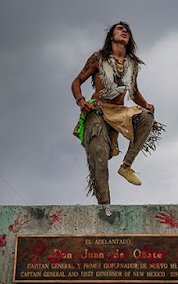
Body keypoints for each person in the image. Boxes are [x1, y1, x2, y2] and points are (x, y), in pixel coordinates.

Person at [71, 21, 164, 205]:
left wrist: (146, 104)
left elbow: (134, 91)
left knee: (146, 117)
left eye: (127, 30)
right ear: (111, 36)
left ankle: (126, 167)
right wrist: (80, 100)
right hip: (97, 110)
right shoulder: (97, 58)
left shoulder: (132, 65)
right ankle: (104, 207)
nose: (124, 31)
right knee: (99, 153)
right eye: (120, 29)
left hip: (118, 111)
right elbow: (76, 81)